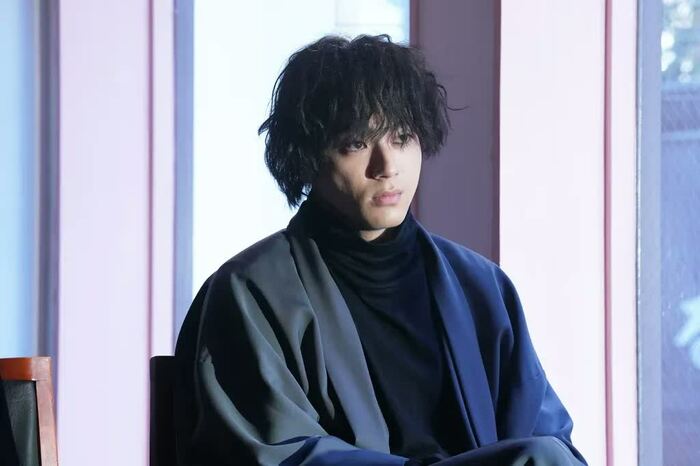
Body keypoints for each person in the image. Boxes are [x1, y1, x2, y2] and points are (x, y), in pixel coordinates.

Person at [173, 34, 587, 466]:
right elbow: (275, 455)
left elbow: (549, 436)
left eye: (403, 137)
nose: (387, 167)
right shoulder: (251, 292)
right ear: (308, 155)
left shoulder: (481, 286)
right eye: (356, 144)